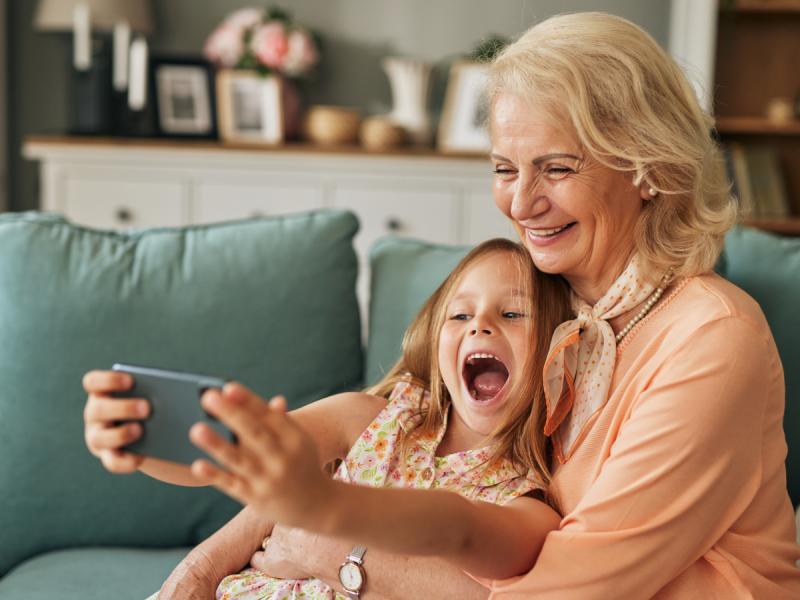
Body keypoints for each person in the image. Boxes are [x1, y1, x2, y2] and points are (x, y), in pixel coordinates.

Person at [126, 11, 800, 599]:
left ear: (649, 167)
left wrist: (342, 558)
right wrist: (204, 561)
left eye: (557, 168)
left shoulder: (712, 339)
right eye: (505, 169)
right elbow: (354, 433)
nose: (521, 202)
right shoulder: (537, 303)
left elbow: (567, 588)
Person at [83, 239, 572, 599]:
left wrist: (332, 549)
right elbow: (237, 452)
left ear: (556, 353)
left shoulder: (527, 504)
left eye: (513, 314)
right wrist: (142, 439)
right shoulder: (370, 420)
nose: (481, 324)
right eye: (459, 316)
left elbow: (478, 580)